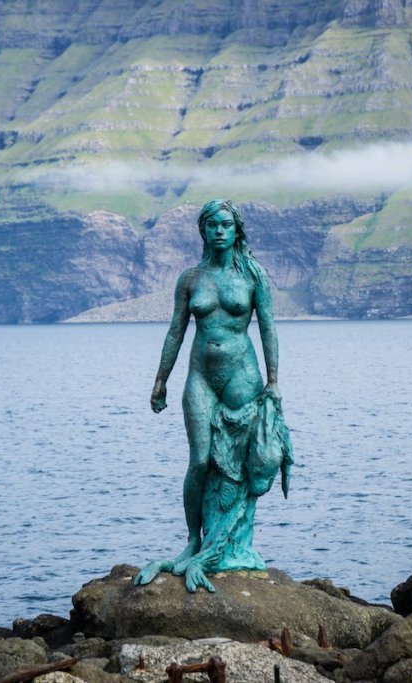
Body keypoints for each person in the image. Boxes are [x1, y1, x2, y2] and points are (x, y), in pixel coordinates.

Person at [135, 199, 292, 593]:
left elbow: (269, 328)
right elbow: (175, 332)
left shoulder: (253, 275)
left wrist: (274, 381)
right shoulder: (190, 280)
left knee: (241, 464)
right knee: (201, 460)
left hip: (243, 375)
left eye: (226, 224)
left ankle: (231, 545)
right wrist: (160, 381)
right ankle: (194, 538)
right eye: (212, 225)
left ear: (237, 230)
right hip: (201, 377)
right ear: (202, 231)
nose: (219, 231)